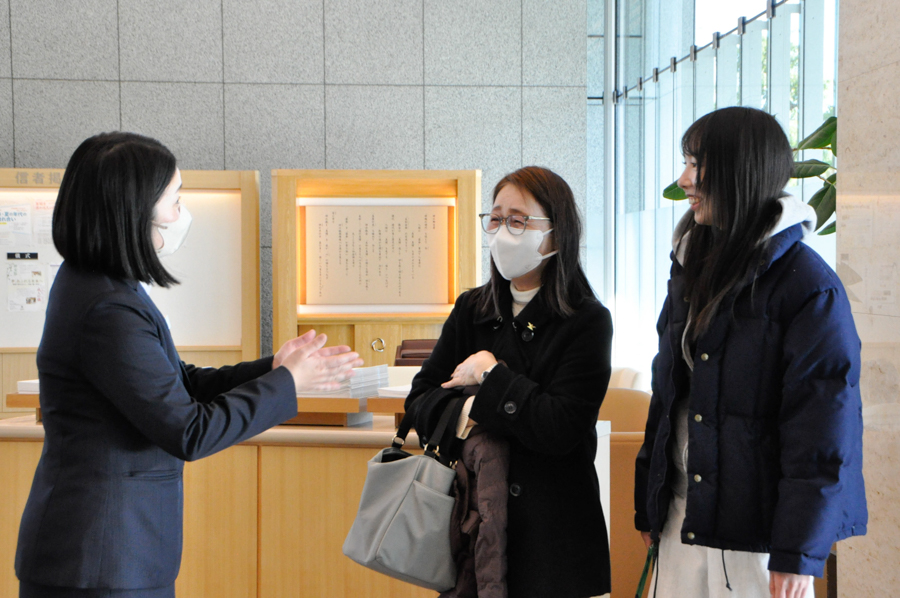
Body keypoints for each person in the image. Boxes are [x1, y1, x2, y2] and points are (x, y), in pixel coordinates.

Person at [15, 132, 363, 598]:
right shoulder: (108, 308)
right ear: (133, 210)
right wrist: (288, 383)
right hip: (102, 559)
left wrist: (275, 368)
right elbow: (189, 431)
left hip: (108, 554)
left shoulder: (99, 285)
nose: (182, 214)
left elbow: (179, 382)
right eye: (175, 201)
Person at [634, 107, 867, 598]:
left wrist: (797, 551)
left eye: (696, 165)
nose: (684, 180)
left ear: (739, 170)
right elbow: (666, 397)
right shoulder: (690, 268)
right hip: (683, 521)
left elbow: (822, 431)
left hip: (757, 543)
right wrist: (648, 505)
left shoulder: (808, 286)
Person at [406, 166, 613, 598]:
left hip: (553, 541)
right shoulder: (472, 309)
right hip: (472, 531)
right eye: (496, 219)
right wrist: (473, 411)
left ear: (557, 234)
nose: (503, 232)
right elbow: (420, 401)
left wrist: (490, 374)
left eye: (518, 221)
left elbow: (559, 427)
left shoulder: (586, 320)